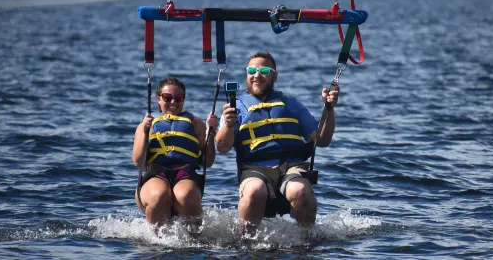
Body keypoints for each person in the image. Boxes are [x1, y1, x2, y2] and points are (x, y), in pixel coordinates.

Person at [215, 51, 339, 233]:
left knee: (299, 191)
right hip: (254, 168)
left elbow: (321, 140)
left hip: (292, 166)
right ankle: (246, 243)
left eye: (264, 70)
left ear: (275, 75)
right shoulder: (235, 107)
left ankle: (307, 243)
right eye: (252, 70)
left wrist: (328, 108)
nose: (257, 75)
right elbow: (222, 147)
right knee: (255, 191)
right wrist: (228, 124)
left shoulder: (290, 103)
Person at [132, 77, 219, 225]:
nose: (173, 102)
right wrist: (145, 132)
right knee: (159, 195)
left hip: (185, 173)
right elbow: (139, 162)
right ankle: (155, 242)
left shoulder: (196, 124)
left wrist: (211, 133)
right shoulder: (147, 125)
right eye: (167, 97)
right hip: (155, 173)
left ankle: (192, 243)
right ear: (158, 99)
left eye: (178, 98)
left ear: (183, 100)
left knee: (186, 196)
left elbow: (208, 162)